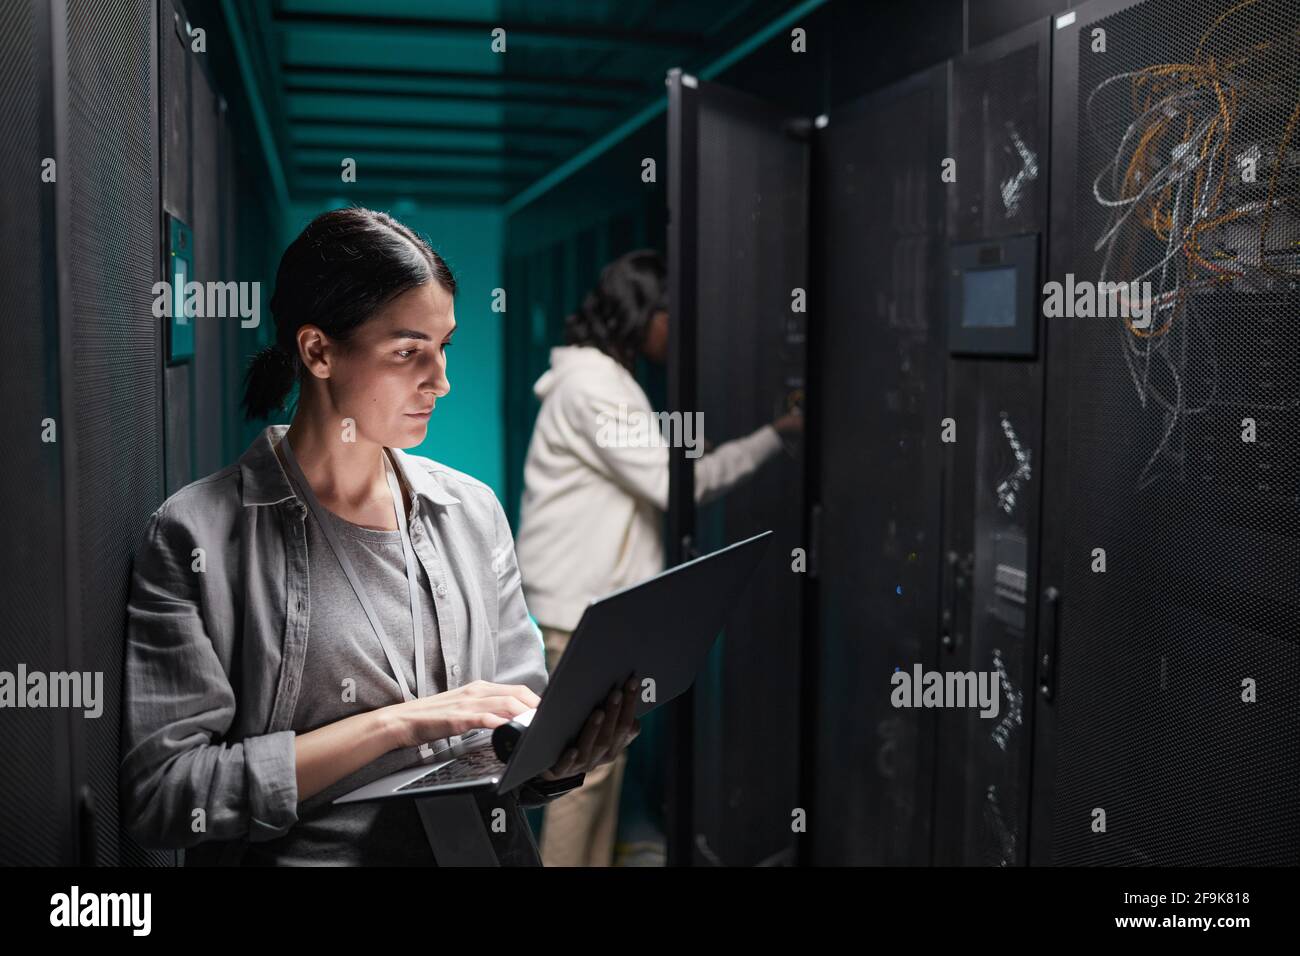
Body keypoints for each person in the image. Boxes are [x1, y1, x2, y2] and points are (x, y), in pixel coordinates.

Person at [120, 207, 639, 866]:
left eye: (443, 347)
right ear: (318, 351)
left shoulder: (472, 512)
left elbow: (509, 736)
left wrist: (558, 758)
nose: (441, 381)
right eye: (407, 352)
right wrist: (399, 724)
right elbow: (165, 796)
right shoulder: (196, 536)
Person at [514, 249, 803, 866]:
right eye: (669, 313)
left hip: (587, 602)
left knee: (594, 771)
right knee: (578, 779)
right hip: (578, 607)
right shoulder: (592, 386)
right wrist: (777, 436)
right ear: (640, 312)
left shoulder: (600, 379)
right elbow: (678, 486)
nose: (675, 329)